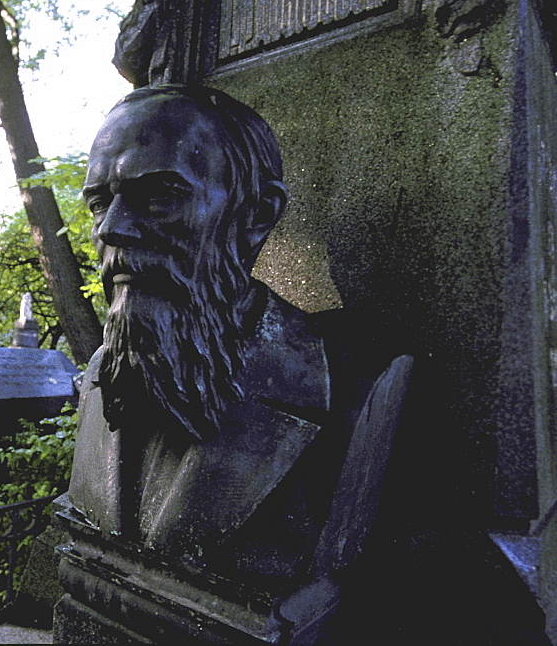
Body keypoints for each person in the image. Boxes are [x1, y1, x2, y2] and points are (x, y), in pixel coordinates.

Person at [66, 84, 413, 588]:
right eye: (100, 203)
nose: (112, 229)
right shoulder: (104, 372)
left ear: (256, 214)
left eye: (160, 195)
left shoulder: (356, 392)